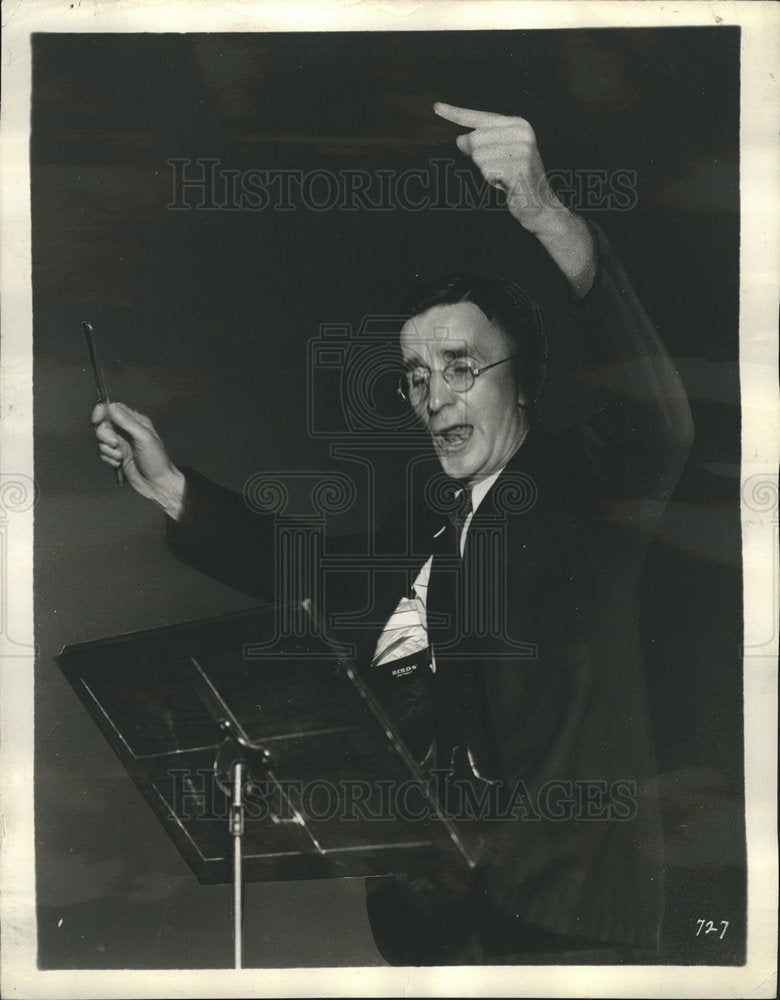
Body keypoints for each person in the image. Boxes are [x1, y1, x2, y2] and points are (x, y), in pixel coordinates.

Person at [92, 103, 694, 965]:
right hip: (428, 925)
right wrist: (170, 486)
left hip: (560, 923)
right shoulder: (424, 523)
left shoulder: (584, 491)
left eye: (461, 368)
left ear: (521, 382)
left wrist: (545, 215)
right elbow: (306, 572)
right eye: (416, 377)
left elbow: (658, 423)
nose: (435, 396)